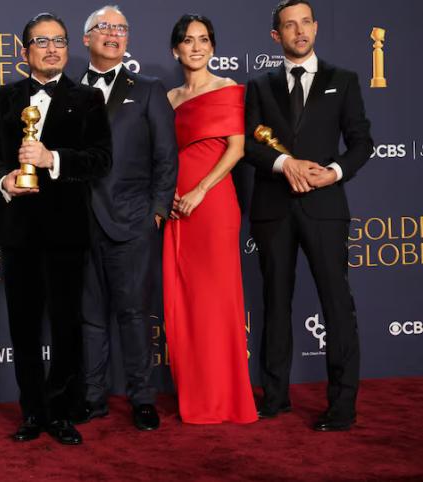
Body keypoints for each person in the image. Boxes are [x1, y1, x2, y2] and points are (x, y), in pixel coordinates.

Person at [0, 12, 112, 446]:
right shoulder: (2, 98)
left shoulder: (88, 98)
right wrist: (4, 180)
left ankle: (60, 411)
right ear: (25, 51)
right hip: (17, 231)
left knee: (66, 325)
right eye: (42, 41)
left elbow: (99, 159)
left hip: (66, 232)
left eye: (59, 40)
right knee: (22, 325)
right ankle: (32, 412)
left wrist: (51, 159)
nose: (52, 48)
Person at [244, 0, 373, 431]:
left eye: (305, 23)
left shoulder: (345, 80)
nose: (298, 32)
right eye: (288, 26)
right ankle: (275, 397)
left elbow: (361, 142)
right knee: (275, 303)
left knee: (337, 305)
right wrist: (287, 165)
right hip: (273, 207)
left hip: (325, 208)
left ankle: (342, 406)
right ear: (275, 36)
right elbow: (251, 145)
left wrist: (332, 173)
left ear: (315, 28)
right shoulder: (259, 86)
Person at [75, 5, 177, 431]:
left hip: (132, 221)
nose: (113, 34)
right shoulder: (68, 90)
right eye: (104, 28)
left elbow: (166, 158)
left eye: (121, 28)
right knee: (90, 317)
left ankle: (141, 399)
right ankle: (93, 398)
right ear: (86, 39)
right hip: (79, 223)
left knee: (134, 315)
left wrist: (156, 211)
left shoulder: (149, 89)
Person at [163, 14, 257, 425]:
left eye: (204, 40)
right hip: (176, 207)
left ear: (213, 47)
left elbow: (236, 149)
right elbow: (163, 156)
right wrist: (169, 194)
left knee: (218, 301)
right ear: (176, 49)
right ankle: (197, 395)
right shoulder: (168, 99)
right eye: (188, 40)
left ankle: (228, 397)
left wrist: (200, 190)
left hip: (214, 204)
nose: (197, 47)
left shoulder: (231, 90)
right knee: (185, 300)